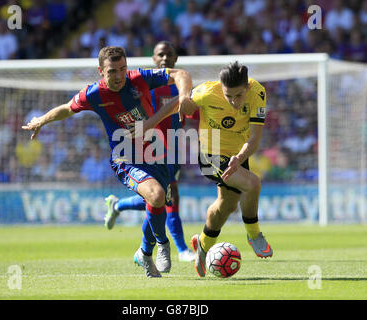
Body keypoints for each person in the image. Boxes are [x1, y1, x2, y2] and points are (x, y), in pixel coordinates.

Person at [22, 46, 193, 277]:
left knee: (157, 201)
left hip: (156, 153)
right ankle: (164, 245)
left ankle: (144, 252)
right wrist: (42, 120)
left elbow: (180, 74)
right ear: (101, 71)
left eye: (123, 69)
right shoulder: (93, 94)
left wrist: (182, 98)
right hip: (125, 158)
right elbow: (66, 109)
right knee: (156, 195)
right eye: (113, 71)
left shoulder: (138, 78)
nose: (120, 75)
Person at [180, 61, 273, 277]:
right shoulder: (206, 92)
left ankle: (202, 245)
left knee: (227, 206)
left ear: (247, 88)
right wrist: (153, 123)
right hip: (210, 154)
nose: (233, 101)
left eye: (238, 96)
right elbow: (181, 102)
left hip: (238, 154)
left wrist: (239, 157)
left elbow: (255, 138)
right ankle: (253, 233)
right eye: (228, 95)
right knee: (252, 184)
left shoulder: (258, 92)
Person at [104, 41, 195, 263]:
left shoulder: (181, 87)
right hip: (150, 150)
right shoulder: (145, 86)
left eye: (169, 54)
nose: (164, 58)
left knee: (159, 197)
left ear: (175, 58)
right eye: (160, 55)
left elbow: (189, 116)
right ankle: (181, 249)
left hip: (173, 148)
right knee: (167, 197)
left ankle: (117, 205)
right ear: (153, 59)